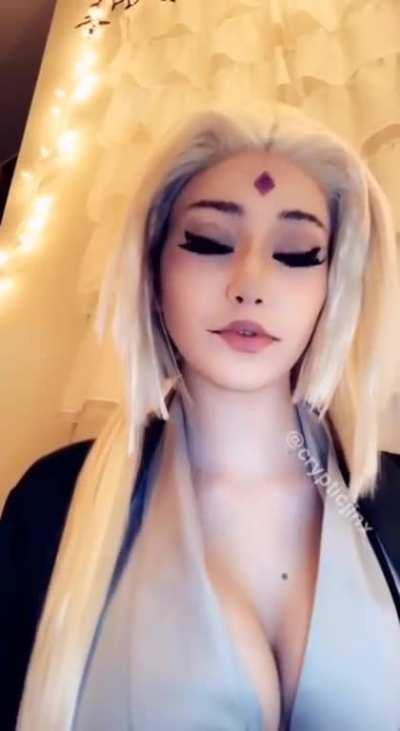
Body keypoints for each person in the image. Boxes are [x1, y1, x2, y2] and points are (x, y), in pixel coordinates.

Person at [1, 102, 400, 731]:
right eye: (210, 242)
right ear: (153, 267)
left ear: (335, 286)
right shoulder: (53, 506)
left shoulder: (393, 502)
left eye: (298, 253)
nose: (250, 284)